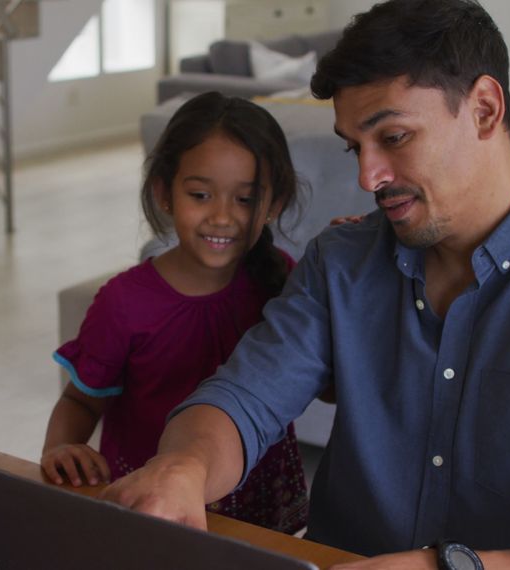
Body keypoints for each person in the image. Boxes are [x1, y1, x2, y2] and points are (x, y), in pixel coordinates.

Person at [101, 1, 510, 569]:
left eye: (393, 138)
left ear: (485, 109)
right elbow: (245, 398)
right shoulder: (341, 261)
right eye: (353, 147)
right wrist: (183, 464)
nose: (368, 177)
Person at [41, 91, 310, 534]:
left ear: (274, 203)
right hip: (154, 511)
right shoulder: (124, 302)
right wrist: (59, 448)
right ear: (164, 192)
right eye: (201, 194)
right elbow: (78, 399)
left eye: (245, 199)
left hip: (258, 512)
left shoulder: (280, 278)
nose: (222, 217)